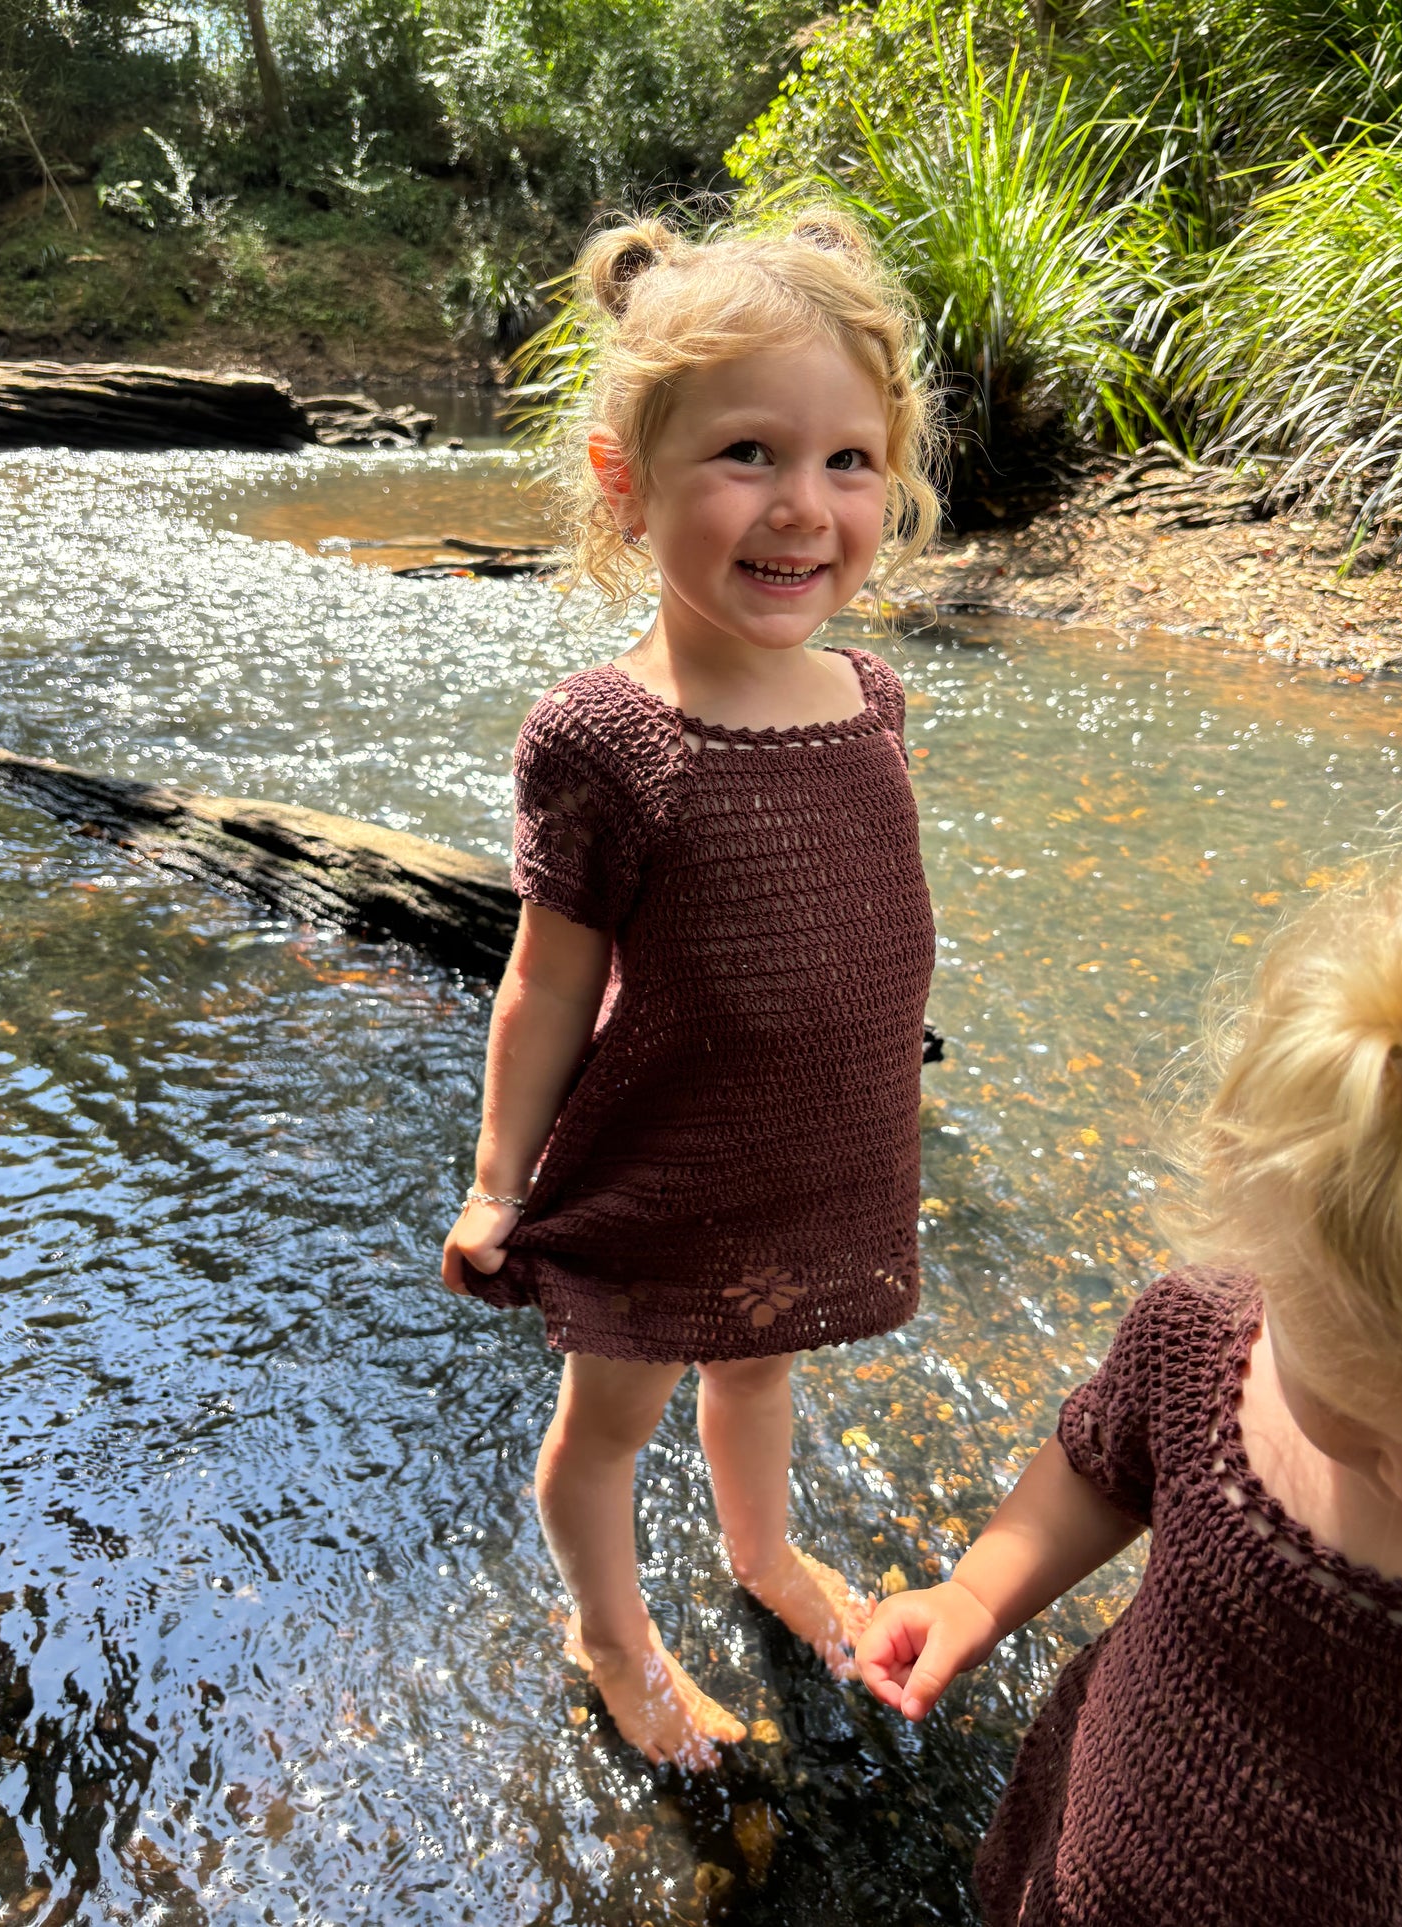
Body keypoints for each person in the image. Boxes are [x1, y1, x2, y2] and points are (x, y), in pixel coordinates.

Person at [441, 206, 942, 1770]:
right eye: (747, 453)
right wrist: (492, 1182)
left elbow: (857, 901)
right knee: (611, 1417)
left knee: (763, 1362)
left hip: (811, 1143)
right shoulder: (604, 736)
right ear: (622, 478)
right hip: (663, 1158)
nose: (804, 506)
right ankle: (608, 1627)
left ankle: (760, 1549)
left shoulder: (868, 690)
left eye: (848, 461)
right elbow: (542, 980)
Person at [857, 866, 1402, 1923]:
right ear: (1269, 1267)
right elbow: (1099, 1471)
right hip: (1097, 1848)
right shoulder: (1201, 1343)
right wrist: (975, 1595)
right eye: (1365, 1429)